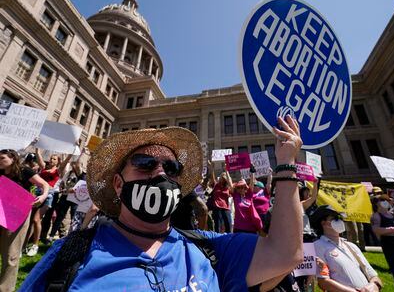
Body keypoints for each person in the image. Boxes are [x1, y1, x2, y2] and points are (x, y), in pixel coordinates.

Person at [21, 116, 303, 291]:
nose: (159, 173)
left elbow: (285, 252)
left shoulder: (210, 251)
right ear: (119, 184)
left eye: (171, 168)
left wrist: (287, 163)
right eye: (145, 164)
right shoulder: (69, 256)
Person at [0, 149, 49, 292]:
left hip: (17, 215)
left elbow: (45, 185)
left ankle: (5, 289)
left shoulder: (24, 171)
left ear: (13, 158)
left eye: (2, 158)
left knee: (11, 254)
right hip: (1, 211)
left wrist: (43, 196)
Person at [311, 205, 383, 292]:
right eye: (336, 218)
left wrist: (374, 285)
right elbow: (323, 281)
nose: (340, 221)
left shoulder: (352, 246)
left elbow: (373, 275)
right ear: (323, 223)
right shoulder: (317, 246)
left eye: (341, 218)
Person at [24, 150, 71, 256]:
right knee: (30, 220)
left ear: (57, 162)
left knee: (36, 219)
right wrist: (37, 148)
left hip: (48, 195)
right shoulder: (44, 167)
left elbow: (66, 161)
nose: (51, 159)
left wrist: (71, 152)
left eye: (54, 159)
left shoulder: (57, 171)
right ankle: (24, 244)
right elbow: (39, 156)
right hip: (36, 194)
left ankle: (35, 245)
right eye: (51, 158)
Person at [209, 164, 234, 233]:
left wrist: (226, 171)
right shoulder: (216, 185)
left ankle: (229, 240)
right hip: (217, 208)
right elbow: (212, 178)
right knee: (218, 227)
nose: (222, 178)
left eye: (224, 177)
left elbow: (230, 183)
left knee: (228, 226)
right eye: (221, 176)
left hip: (226, 208)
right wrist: (211, 168)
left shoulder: (228, 187)